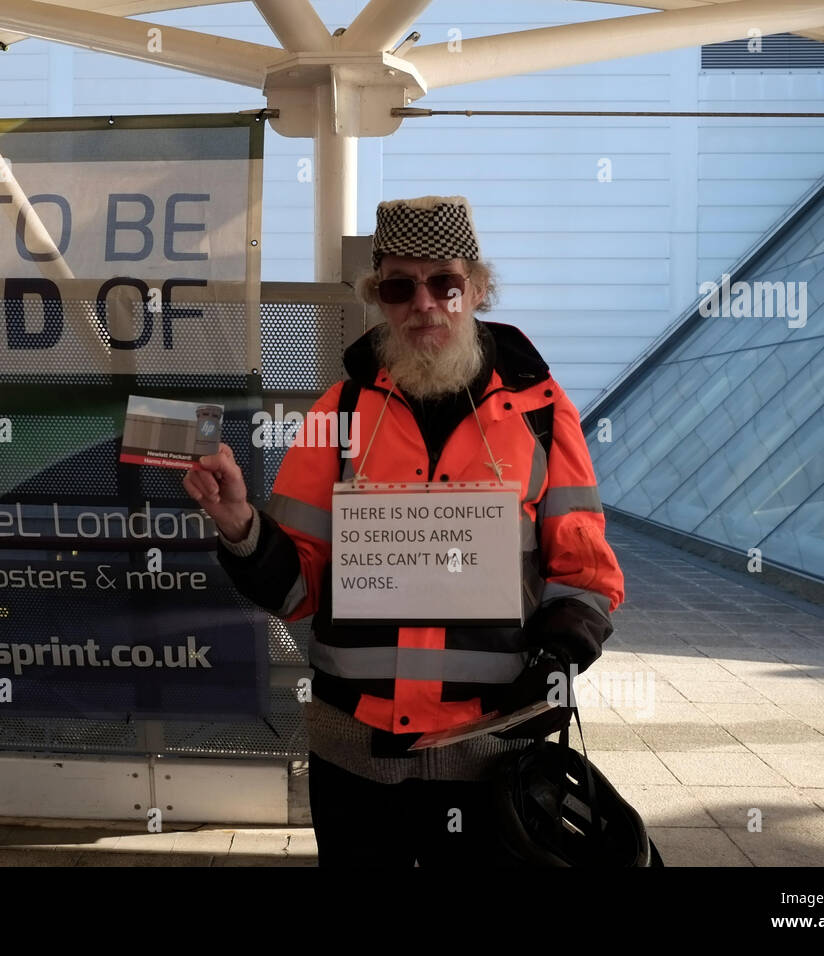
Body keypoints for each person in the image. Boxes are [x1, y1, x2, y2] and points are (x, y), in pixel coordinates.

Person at [183, 195, 625, 867]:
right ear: (379, 298)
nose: (425, 302)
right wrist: (241, 525)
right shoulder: (341, 411)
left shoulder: (543, 410)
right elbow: (298, 588)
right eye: (399, 286)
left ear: (477, 288)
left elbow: (584, 572)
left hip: (496, 758)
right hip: (356, 759)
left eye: (445, 282)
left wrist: (559, 650)